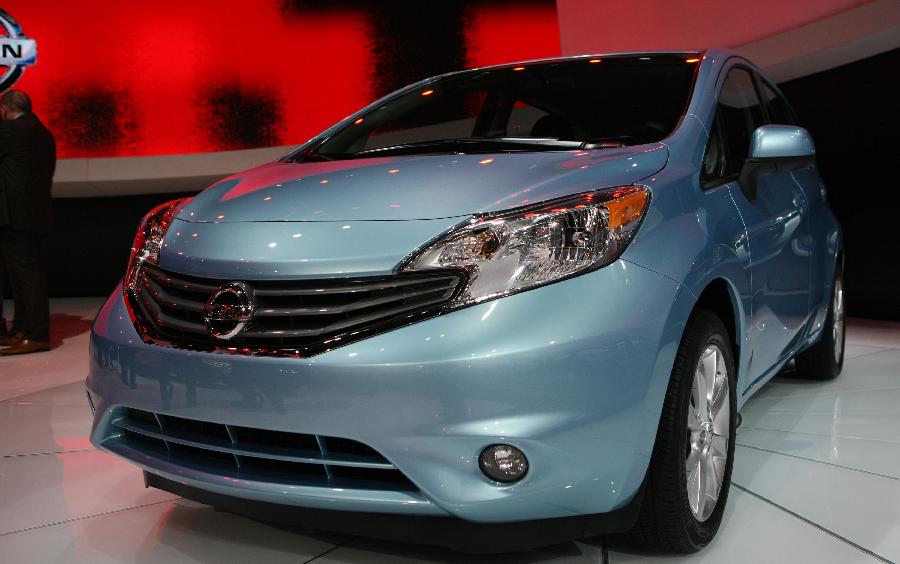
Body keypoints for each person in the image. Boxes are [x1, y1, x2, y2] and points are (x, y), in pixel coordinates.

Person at [0, 90, 56, 355]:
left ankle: (34, 334)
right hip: (34, 215)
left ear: (5, 109)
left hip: (17, 217)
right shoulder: (44, 133)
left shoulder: (13, 130)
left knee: (27, 277)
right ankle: (22, 329)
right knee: (24, 276)